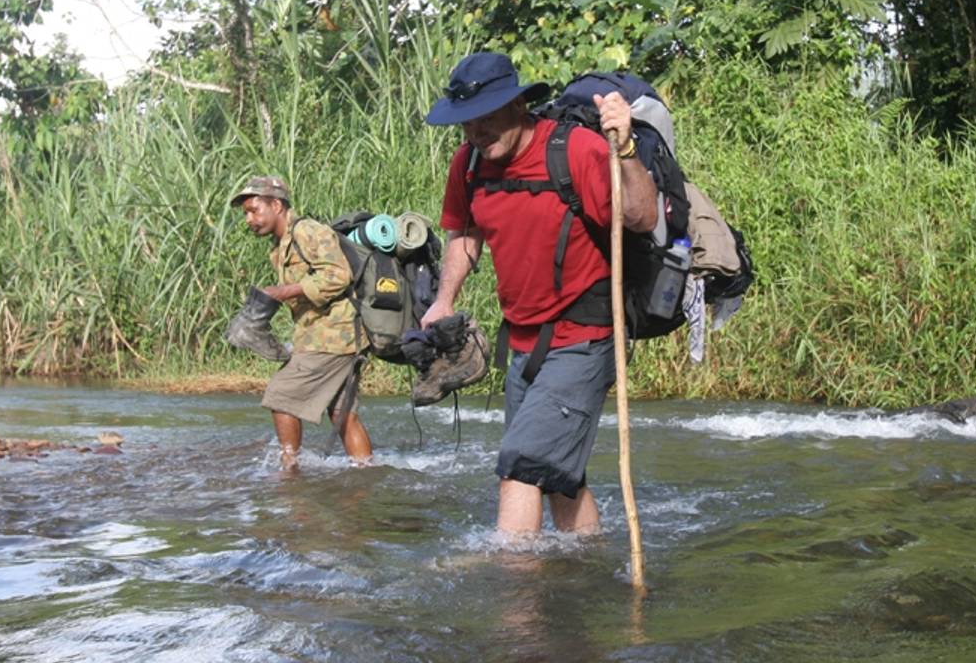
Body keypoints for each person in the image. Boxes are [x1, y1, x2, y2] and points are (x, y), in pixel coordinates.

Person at [421, 52, 658, 535]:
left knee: (520, 467)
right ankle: (584, 566)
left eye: (485, 118)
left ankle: (514, 597)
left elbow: (642, 218)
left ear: (516, 106)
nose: (475, 133)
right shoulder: (468, 164)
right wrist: (443, 300)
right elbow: (465, 235)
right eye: (466, 123)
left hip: (584, 337)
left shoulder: (576, 150)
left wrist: (627, 150)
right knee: (555, 478)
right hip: (525, 344)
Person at [231, 175, 374, 469]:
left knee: (281, 395)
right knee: (342, 414)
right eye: (246, 213)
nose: (249, 219)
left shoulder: (307, 231)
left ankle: (289, 470)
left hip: (334, 335)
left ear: (277, 205)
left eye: (254, 210)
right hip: (329, 335)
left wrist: (284, 291)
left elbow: (338, 276)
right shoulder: (280, 246)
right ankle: (367, 472)